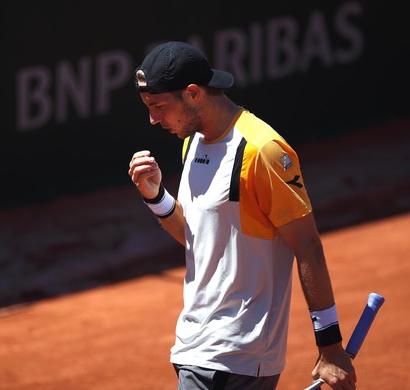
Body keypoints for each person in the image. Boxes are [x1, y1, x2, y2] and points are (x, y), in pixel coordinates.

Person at [127, 41, 356, 390]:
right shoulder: (193, 143)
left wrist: (330, 346)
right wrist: (156, 196)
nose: (153, 119)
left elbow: (308, 246)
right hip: (194, 346)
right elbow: (197, 238)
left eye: (158, 106)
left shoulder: (262, 151)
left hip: (237, 354)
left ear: (192, 94)